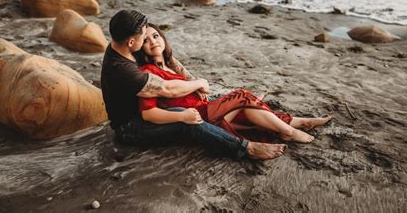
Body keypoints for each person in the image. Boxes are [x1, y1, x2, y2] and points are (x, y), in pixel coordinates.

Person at [100, 9, 287, 160]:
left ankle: (245, 107)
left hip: (145, 113)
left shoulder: (120, 41)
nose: (145, 41)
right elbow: (167, 89)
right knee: (187, 121)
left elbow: (170, 61)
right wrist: (199, 83)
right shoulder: (122, 70)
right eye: (143, 38)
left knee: (207, 101)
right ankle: (246, 149)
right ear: (132, 41)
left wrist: (191, 81)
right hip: (131, 127)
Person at [136, 23, 332, 144]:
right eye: (146, 40)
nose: (153, 41)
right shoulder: (147, 72)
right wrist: (197, 86)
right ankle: (289, 131)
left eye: (155, 35)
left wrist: (198, 85)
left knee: (248, 112)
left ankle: (300, 122)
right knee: (243, 95)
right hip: (198, 118)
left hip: (207, 109)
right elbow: (148, 112)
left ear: (162, 37)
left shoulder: (171, 66)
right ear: (140, 47)